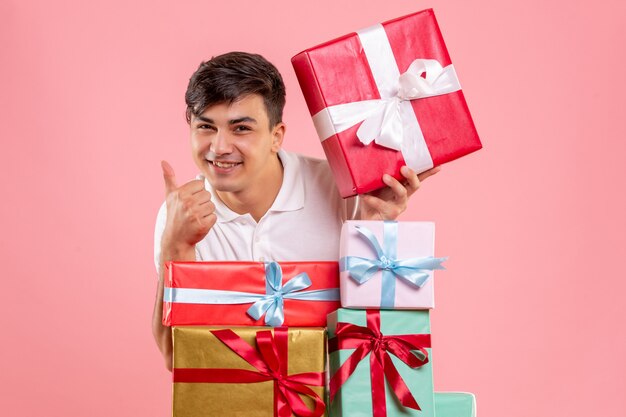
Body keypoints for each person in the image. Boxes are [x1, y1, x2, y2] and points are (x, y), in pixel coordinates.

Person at [152, 51, 439, 370]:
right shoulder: (181, 213)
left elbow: (375, 344)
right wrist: (175, 246)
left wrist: (375, 227)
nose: (219, 147)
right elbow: (176, 358)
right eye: (206, 127)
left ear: (276, 137)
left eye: (241, 129)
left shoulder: (342, 191)